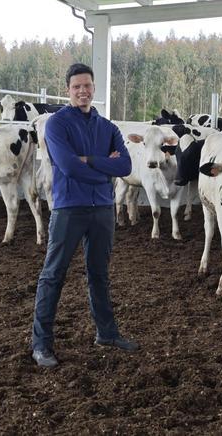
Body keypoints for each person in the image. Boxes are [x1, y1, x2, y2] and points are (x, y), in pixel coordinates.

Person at [31, 63, 139, 369]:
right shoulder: (56, 125)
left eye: (87, 86)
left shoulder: (108, 128)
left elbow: (125, 167)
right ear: (68, 90)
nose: (83, 91)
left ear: (94, 88)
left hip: (103, 209)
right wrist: (103, 169)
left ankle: (107, 333)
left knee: (99, 274)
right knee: (53, 274)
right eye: (77, 86)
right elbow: (68, 166)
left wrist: (90, 161)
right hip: (69, 208)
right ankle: (40, 344)